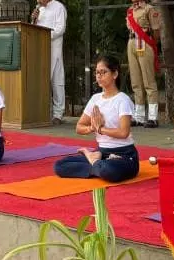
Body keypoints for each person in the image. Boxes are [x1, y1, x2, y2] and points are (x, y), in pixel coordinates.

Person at [54, 55, 140, 183]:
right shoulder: (95, 99)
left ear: (115, 74)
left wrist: (100, 129)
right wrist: (92, 128)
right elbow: (79, 127)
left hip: (123, 155)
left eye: (103, 72)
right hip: (102, 152)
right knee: (60, 165)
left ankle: (93, 161)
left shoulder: (122, 100)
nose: (99, 76)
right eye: (97, 73)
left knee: (109, 170)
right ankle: (97, 163)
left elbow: (123, 133)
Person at [124, 0, 162, 128]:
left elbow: (156, 30)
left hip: (144, 42)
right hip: (132, 42)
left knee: (148, 81)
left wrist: (153, 44)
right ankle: (139, 116)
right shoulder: (130, 10)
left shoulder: (149, 9)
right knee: (136, 81)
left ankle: (153, 116)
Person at [31, 0, 67, 124]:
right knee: (41, 81)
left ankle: (58, 114)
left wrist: (44, 35)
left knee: (57, 82)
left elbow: (60, 29)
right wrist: (33, 19)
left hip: (54, 50)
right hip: (39, 50)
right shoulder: (39, 9)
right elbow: (33, 28)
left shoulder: (59, 7)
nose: (38, 1)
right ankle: (43, 112)